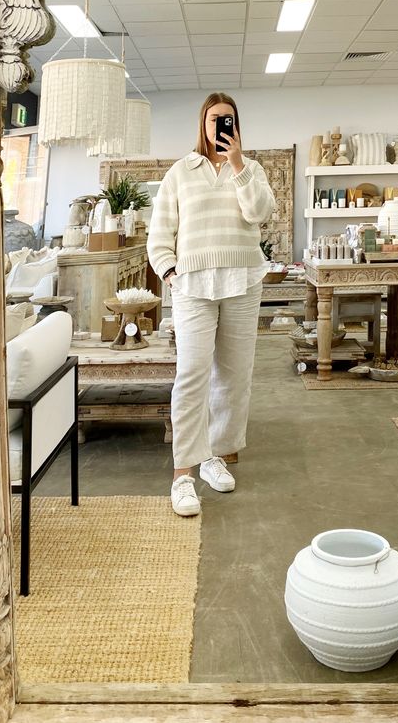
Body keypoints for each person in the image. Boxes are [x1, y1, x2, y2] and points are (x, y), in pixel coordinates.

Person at [147, 92, 277, 516]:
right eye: (214, 119)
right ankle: (182, 473)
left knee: (234, 376)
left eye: (229, 119)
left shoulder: (251, 169)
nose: (221, 125)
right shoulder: (180, 173)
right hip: (192, 286)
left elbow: (259, 213)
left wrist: (237, 164)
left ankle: (215, 456)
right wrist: (170, 275)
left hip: (242, 280)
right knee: (192, 375)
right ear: (202, 124)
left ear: (237, 125)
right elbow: (159, 236)